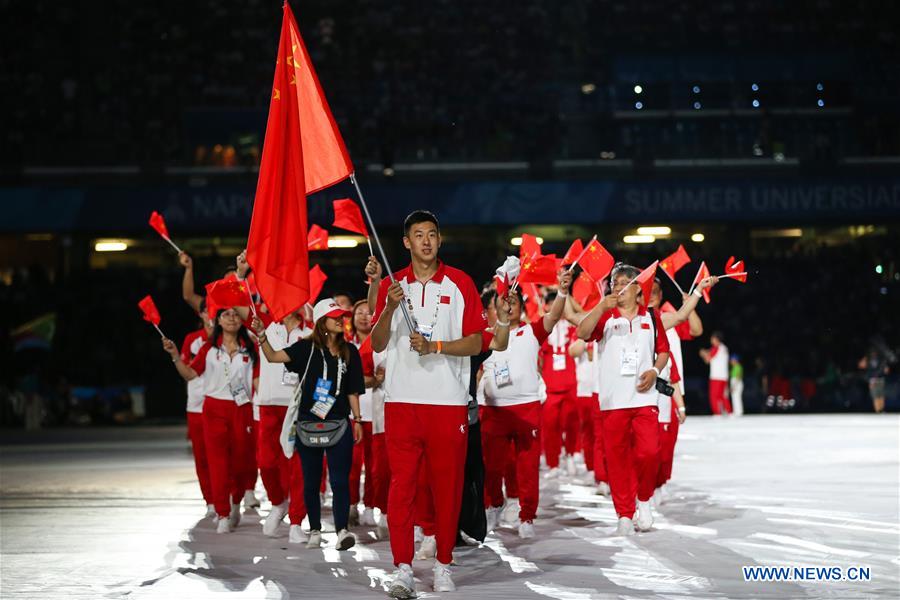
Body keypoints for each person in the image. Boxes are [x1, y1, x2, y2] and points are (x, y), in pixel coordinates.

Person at [370, 210, 487, 597]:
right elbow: (376, 344)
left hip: (447, 402)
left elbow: (476, 341)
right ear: (406, 242)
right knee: (402, 486)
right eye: (417, 235)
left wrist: (436, 346)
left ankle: (443, 564)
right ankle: (402, 567)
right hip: (402, 402)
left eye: (431, 235)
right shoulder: (393, 284)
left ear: (439, 240)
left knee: (447, 486)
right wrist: (387, 307)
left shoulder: (460, 284)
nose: (425, 241)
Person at [253, 299, 365, 550]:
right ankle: (314, 529)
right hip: (308, 424)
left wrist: (357, 419)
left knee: (339, 480)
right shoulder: (305, 348)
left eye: (341, 316)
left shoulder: (350, 352)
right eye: (335, 316)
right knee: (311, 481)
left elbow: (353, 391)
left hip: (339, 424)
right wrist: (261, 334)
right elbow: (272, 357)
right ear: (322, 322)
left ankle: (342, 531)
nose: (341, 319)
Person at [576, 263, 670, 536]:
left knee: (650, 452)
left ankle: (644, 499)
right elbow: (582, 333)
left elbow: (662, 352)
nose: (617, 288)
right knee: (617, 460)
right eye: (614, 284)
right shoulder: (605, 317)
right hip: (612, 402)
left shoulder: (651, 317)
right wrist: (600, 308)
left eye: (623, 283)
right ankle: (624, 514)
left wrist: (654, 370)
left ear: (638, 287)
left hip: (644, 399)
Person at [481, 270, 571, 539]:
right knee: (492, 467)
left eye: (513, 302)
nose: (508, 307)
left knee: (528, 468)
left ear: (522, 307)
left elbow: (554, 316)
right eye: (502, 303)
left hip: (527, 407)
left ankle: (527, 516)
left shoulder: (532, 332)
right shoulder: (485, 336)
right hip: (493, 410)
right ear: (495, 309)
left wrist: (563, 292)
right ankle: (495, 504)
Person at [162, 307, 259, 533]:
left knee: (241, 461)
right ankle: (222, 513)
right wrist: (175, 356)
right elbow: (189, 374)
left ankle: (236, 502)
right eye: (226, 315)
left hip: (242, 409)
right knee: (218, 462)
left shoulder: (251, 347)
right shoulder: (208, 348)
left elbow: (257, 381)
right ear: (217, 321)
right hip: (214, 408)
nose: (232, 318)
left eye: (236, 314)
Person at [252, 306, 310, 540]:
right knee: (265, 463)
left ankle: (296, 522)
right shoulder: (264, 326)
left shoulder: (310, 332)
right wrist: (242, 273)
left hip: (297, 406)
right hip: (268, 404)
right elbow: (241, 307)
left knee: (299, 468)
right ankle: (278, 503)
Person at [179, 303, 215, 517]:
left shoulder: (230, 340)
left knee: (227, 453)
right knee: (202, 457)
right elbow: (187, 372)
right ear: (201, 314)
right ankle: (210, 499)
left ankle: (230, 493)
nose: (211, 314)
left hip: (224, 403)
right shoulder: (192, 339)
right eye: (207, 310)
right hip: (197, 406)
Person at [540, 295, 580, 477]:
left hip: (570, 383)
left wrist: (566, 294)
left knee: (571, 424)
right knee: (550, 427)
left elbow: (579, 313)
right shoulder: (544, 329)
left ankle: (570, 455)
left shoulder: (572, 327)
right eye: (551, 303)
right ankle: (553, 463)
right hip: (550, 386)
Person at [348, 299, 377, 526]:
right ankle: (350, 505)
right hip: (350, 414)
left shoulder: (381, 343)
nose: (364, 316)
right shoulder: (344, 343)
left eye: (369, 312)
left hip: (377, 413)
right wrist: (372, 379)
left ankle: (370, 506)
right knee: (351, 465)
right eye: (359, 312)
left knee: (375, 466)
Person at [700, 332, 731, 415]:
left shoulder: (716, 348)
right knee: (723, 396)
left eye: (712, 338)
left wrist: (703, 354)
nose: (711, 340)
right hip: (724, 376)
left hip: (716, 376)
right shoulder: (724, 348)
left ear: (716, 339)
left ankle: (717, 413)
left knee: (714, 396)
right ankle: (728, 412)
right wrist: (706, 352)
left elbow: (708, 360)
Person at [859, 348, 890, 414]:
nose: (873, 354)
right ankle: (878, 411)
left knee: (881, 395)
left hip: (880, 379)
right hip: (872, 380)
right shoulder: (868, 360)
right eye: (872, 353)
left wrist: (885, 368)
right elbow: (861, 365)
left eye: (875, 353)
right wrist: (864, 359)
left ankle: (881, 410)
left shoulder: (881, 360)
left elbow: (886, 370)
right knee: (875, 396)